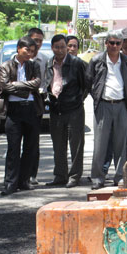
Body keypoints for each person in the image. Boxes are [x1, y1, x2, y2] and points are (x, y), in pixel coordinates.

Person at [86, 30, 127, 190]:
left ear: (121, 45)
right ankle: (97, 178)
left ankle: (120, 176)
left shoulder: (126, 61)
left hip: (121, 105)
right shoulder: (97, 60)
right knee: (100, 144)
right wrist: (97, 97)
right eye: (111, 43)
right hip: (103, 105)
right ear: (106, 43)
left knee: (121, 144)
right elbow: (89, 81)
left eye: (117, 43)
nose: (114, 46)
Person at [0, 36, 42, 196]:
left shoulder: (34, 65)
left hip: (31, 108)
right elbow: (5, 86)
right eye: (26, 50)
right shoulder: (6, 66)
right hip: (14, 110)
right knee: (13, 148)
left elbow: (37, 83)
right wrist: (25, 88)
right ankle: (10, 183)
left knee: (30, 147)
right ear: (18, 48)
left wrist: (16, 85)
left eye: (32, 51)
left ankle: (24, 180)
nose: (29, 54)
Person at [45, 34, 87, 188]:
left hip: (74, 110)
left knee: (75, 145)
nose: (60, 50)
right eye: (57, 47)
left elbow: (86, 84)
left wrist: (78, 99)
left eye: (63, 46)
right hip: (56, 109)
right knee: (58, 145)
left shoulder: (76, 63)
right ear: (52, 48)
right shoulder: (49, 62)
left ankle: (75, 176)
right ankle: (60, 175)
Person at [27, 27, 48, 185]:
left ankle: (32, 174)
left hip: (37, 100)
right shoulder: (19, 58)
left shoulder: (45, 59)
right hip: (19, 102)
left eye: (40, 41)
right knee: (16, 142)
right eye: (35, 40)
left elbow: (46, 80)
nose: (38, 43)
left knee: (34, 141)